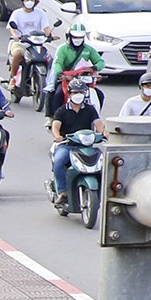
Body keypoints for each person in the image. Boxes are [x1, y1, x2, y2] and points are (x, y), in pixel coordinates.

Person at [49, 78, 102, 207]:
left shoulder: (90, 109)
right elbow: (55, 126)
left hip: (86, 147)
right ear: (69, 94)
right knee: (59, 162)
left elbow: (98, 124)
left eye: (81, 92)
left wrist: (103, 133)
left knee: (102, 164)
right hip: (68, 146)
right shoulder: (62, 110)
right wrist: (57, 136)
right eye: (74, 92)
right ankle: (63, 192)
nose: (78, 95)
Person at [45, 24, 103, 116]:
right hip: (67, 78)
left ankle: (96, 116)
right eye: (75, 37)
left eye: (80, 37)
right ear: (69, 36)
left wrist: (94, 68)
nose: (77, 39)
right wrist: (61, 74)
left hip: (83, 79)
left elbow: (100, 62)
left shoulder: (88, 49)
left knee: (100, 95)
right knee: (57, 94)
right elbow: (58, 63)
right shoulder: (63, 49)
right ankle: (54, 118)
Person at [6, 0, 56, 89]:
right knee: (17, 54)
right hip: (21, 43)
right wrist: (15, 35)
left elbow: (46, 28)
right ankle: (13, 79)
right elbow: (12, 27)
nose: (29, 2)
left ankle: (49, 81)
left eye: (32, 0)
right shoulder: (17, 13)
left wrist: (51, 36)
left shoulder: (41, 13)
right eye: (26, 0)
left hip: (36, 44)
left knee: (50, 58)